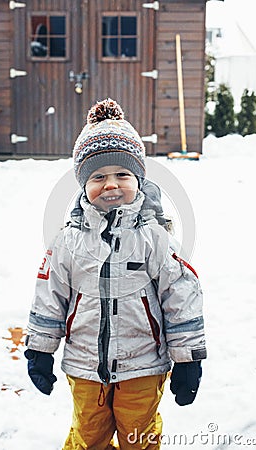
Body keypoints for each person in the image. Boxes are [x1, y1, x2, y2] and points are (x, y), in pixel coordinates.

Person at [24, 98, 207, 450]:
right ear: (82, 185)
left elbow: (181, 294)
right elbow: (50, 294)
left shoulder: (155, 237)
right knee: (87, 437)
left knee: (139, 437)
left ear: (138, 179)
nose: (111, 185)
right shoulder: (68, 242)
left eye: (122, 174)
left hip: (143, 365)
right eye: (98, 176)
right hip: (84, 366)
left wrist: (188, 359)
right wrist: (40, 349)